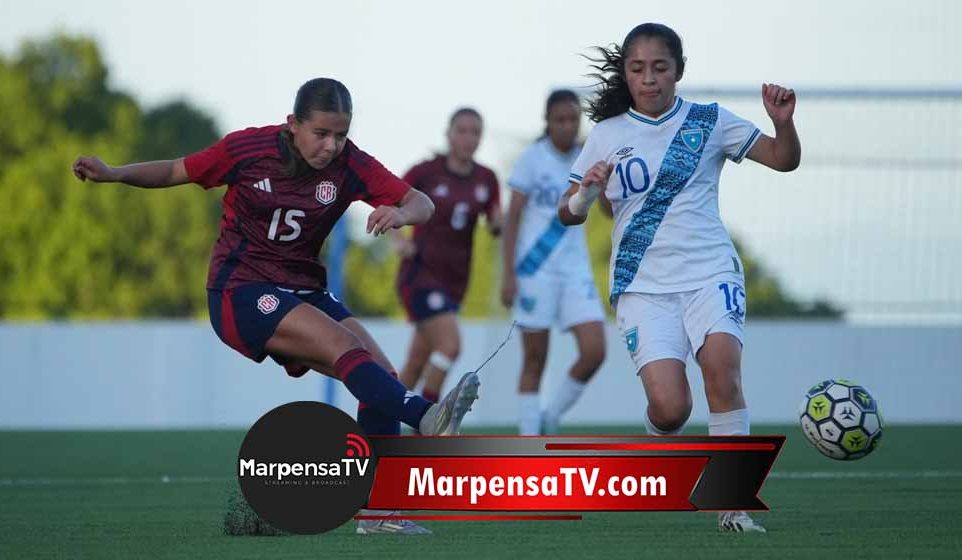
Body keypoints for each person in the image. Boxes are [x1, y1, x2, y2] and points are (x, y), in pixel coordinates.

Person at [72, 77, 481, 535]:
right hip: (239, 289)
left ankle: (377, 512)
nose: (331, 145)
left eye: (341, 134)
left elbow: (419, 201)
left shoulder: (350, 165)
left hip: (303, 289)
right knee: (343, 344)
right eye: (321, 134)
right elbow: (175, 170)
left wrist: (402, 214)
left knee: (379, 377)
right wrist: (114, 172)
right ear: (293, 125)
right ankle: (426, 416)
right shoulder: (247, 149)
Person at [559, 23, 801, 533]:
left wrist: (783, 124)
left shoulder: (709, 122)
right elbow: (573, 212)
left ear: (678, 71)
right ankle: (659, 435)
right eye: (638, 68)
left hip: (711, 271)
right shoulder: (606, 135)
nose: (649, 79)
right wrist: (589, 192)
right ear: (626, 74)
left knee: (723, 371)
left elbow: (783, 160)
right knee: (671, 410)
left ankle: (732, 504)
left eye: (660, 67)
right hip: (643, 286)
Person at [501, 90, 606, 435]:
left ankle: (550, 417)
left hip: (576, 271)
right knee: (535, 359)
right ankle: (529, 441)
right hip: (535, 270)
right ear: (547, 122)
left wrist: (601, 183)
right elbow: (512, 217)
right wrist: (508, 275)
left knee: (594, 351)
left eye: (573, 119)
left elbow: (607, 209)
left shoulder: (587, 157)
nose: (567, 126)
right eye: (559, 119)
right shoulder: (532, 158)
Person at [394, 108, 501, 405]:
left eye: (475, 132)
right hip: (420, 275)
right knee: (450, 346)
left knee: (416, 362)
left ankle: (379, 424)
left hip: (455, 281)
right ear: (449, 134)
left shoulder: (487, 178)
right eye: (462, 131)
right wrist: (398, 240)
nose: (468, 138)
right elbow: (388, 200)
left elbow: (495, 221)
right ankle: (429, 418)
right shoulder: (426, 172)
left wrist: (497, 224)